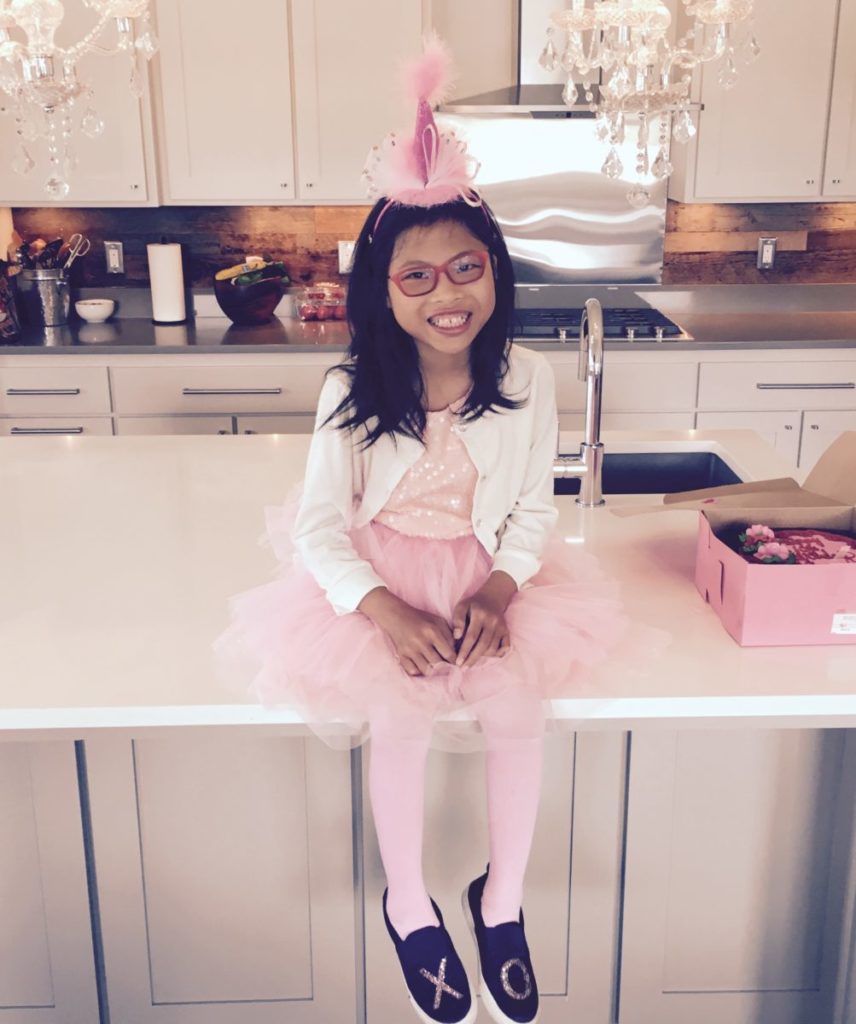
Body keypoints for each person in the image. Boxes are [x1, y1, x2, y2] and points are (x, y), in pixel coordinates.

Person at [215, 36, 640, 1024]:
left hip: (489, 573)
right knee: (398, 718)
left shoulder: (527, 381)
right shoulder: (348, 390)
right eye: (417, 278)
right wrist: (380, 610)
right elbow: (322, 527)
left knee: (515, 713)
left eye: (466, 268)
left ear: (494, 271)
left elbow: (534, 503)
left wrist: (501, 587)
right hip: (382, 578)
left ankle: (502, 901)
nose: (447, 293)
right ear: (381, 289)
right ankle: (408, 902)